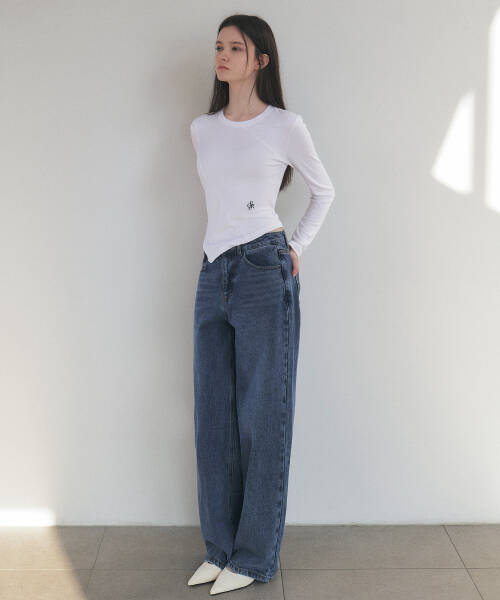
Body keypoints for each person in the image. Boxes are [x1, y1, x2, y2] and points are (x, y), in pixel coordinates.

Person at [187, 13, 335, 595]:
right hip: (212, 270)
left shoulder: (285, 125)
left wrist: (295, 248)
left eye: (235, 48)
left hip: (262, 269)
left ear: (261, 60)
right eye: (219, 47)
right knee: (213, 417)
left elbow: (324, 192)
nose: (222, 56)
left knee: (262, 417)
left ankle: (252, 557)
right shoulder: (202, 128)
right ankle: (219, 548)